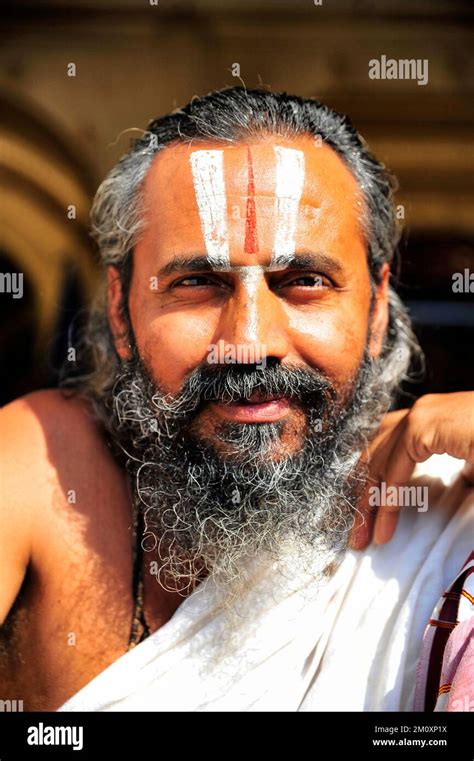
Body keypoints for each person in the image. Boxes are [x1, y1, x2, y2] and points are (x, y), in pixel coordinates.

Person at [0, 87, 472, 712]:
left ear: (377, 307)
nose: (249, 343)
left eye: (304, 282)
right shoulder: (39, 465)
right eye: (197, 283)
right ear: (121, 310)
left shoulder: (445, 503)